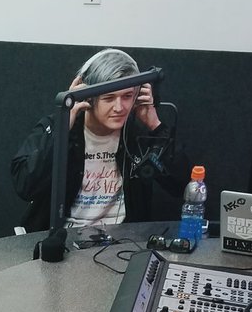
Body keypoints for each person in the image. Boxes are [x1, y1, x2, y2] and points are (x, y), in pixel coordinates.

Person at [11, 48, 191, 232]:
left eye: (127, 96)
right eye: (109, 98)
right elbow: (26, 186)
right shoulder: (56, 127)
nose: (119, 107)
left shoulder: (137, 135)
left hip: (123, 241)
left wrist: (155, 126)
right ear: (88, 96)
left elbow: (182, 186)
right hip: (65, 239)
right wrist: (62, 128)